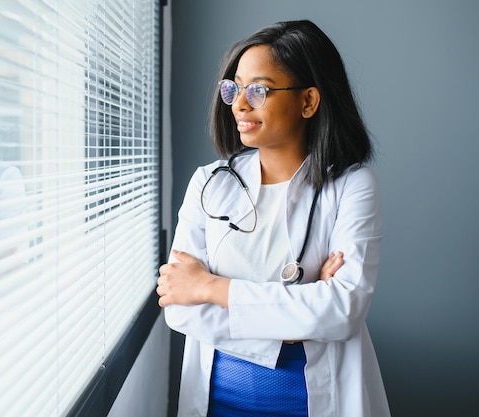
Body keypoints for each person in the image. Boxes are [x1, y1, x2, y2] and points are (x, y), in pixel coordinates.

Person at [157, 20, 390, 417]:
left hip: (313, 401)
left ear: (308, 101)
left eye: (258, 90)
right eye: (234, 88)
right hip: (216, 402)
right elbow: (179, 304)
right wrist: (302, 310)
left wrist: (211, 287)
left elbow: (343, 310)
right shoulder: (209, 184)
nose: (239, 104)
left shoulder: (352, 186)